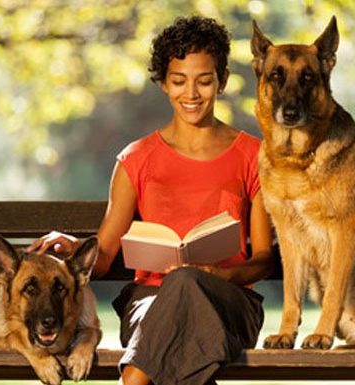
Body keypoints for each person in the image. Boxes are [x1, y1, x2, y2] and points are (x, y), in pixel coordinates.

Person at [28, 16, 275, 385]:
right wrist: (74, 248)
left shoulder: (254, 156)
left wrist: (217, 274)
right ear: (163, 82)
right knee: (177, 299)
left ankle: (135, 380)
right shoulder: (137, 159)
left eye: (204, 81)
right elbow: (106, 253)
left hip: (229, 304)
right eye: (178, 81)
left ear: (221, 81)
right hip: (149, 305)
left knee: (187, 283)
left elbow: (263, 260)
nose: (191, 94)